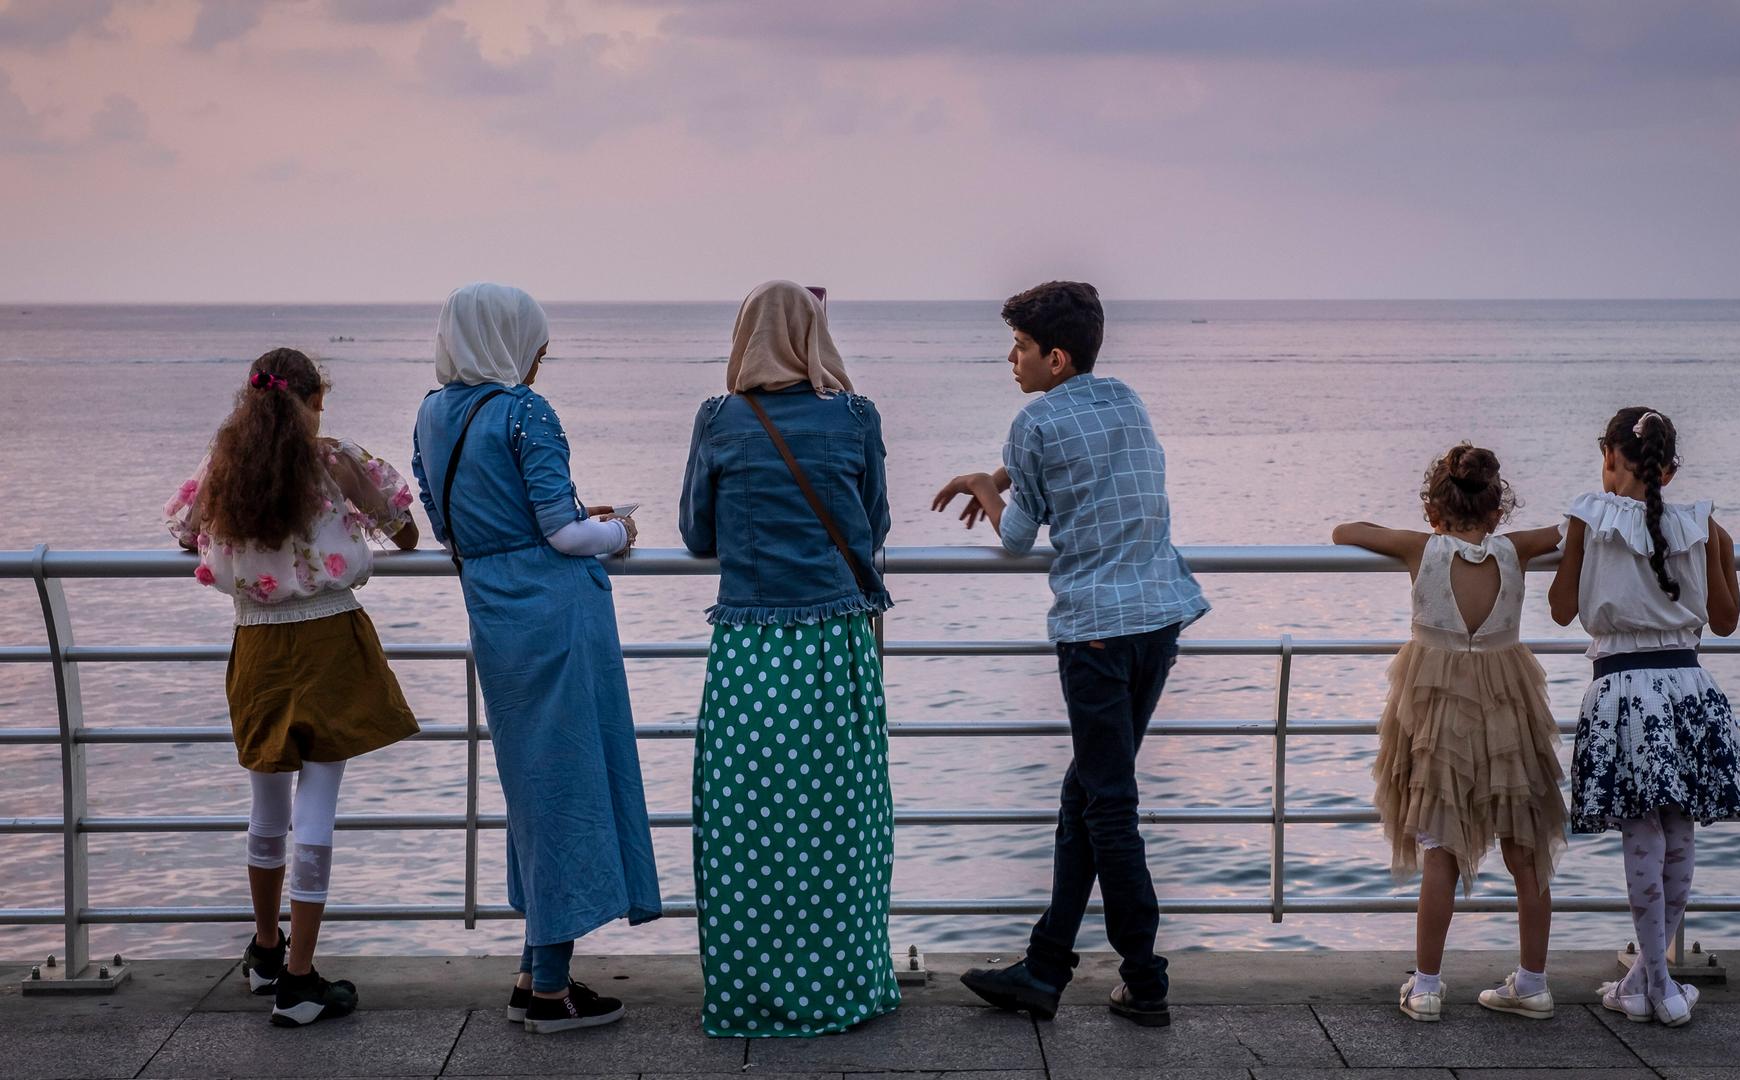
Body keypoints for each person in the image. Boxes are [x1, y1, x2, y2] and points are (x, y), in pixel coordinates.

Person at [933, 280, 1209, 1028]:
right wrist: (1002, 477)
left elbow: (1019, 536)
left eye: (1020, 349)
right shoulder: (1124, 400)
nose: (1010, 361)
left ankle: (1145, 979)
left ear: (1054, 358)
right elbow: (1081, 476)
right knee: (1085, 797)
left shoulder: (1032, 422)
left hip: (1094, 633)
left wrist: (980, 484)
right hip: (1159, 620)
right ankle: (1045, 968)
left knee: (1108, 807)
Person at [411, 282, 660, 1035]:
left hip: (492, 608)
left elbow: (447, 521)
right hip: (554, 614)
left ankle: (533, 970)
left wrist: (557, 524)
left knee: (536, 785)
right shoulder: (525, 411)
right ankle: (550, 988)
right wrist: (617, 532)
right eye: (536, 348)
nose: (539, 361)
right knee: (570, 786)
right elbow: (560, 531)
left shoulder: (429, 411)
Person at [164, 348, 420, 1027]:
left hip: (257, 644)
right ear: (311, 402)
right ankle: (301, 982)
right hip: (330, 640)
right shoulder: (336, 460)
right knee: (318, 805)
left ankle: (267, 951)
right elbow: (408, 533)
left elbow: (182, 532)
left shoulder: (225, 465)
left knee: (266, 803)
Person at [679, 280, 899, 1038]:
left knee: (748, 830)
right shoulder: (855, 416)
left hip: (749, 652)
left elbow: (696, 534)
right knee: (839, 825)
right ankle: (841, 987)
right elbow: (874, 524)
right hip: (834, 648)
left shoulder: (719, 420)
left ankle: (752, 995)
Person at [1331, 444, 1567, 1023]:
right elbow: (1563, 532)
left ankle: (1429, 985)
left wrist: (1419, 529)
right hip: (1509, 705)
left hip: (1438, 713)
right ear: (1496, 511)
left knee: (1438, 847)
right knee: (1525, 848)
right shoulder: (1517, 549)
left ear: (1435, 511)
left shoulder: (1422, 549)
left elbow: (1344, 531)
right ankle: (1533, 982)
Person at [1550, 406, 1740, 1028]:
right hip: (1689, 686)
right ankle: (1650, 981)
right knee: (1678, 832)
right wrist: (1721, 549)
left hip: (1623, 688)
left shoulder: (1589, 516)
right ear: (1668, 469)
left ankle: (1657, 986)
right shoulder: (1703, 524)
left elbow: (1562, 608)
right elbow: (1724, 621)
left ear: (1612, 457)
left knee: (1641, 835)